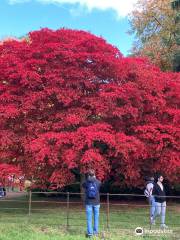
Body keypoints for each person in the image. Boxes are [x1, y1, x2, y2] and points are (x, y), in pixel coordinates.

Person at [82, 169, 101, 238]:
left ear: (88, 175)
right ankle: (95, 232)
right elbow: (99, 187)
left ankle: (90, 234)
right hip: (96, 202)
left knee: (89, 218)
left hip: (88, 203)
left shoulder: (86, 182)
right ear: (94, 174)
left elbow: (83, 185)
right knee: (96, 218)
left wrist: (88, 179)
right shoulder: (98, 182)